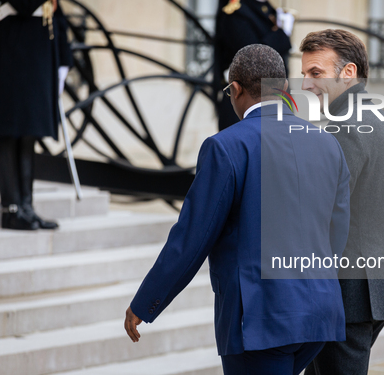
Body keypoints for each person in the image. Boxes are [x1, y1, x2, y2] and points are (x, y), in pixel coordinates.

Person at [124, 44, 351, 375]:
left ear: (236, 89)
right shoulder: (327, 143)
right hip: (320, 312)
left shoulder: (226, 146)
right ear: (284, 89)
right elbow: (338, 229)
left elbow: (192, 237)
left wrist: (146, 302)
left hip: (260, 318)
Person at [299, 29, 384, 375]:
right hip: (378, 283)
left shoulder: (344, 126)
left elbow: (322, 211)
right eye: (304, 74)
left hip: (349, 289)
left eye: (315, 73)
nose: (306, 84)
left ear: (347, 73)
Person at [0, 0, 72, 230]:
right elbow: (23, 0)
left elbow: (55, 12)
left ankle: (27, 207)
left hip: (39, 51)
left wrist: (64, 58)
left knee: (29, 132)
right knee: (10, 131)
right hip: (14, 50)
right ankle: (11, 209)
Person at [214, 0, 293, 131]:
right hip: (246, 100)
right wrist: (282, 35)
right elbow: (253, 57)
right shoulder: (236, 11)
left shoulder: (269, 9)